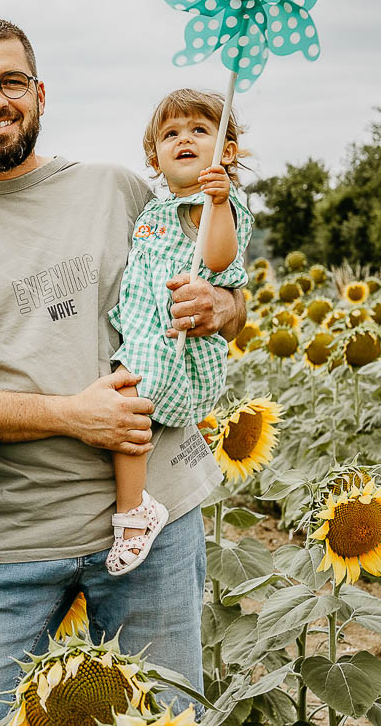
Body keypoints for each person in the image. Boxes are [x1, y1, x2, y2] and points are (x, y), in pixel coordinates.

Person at [0, 17, 247, 723]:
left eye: (12, 81)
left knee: (162, 716)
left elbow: (229, 295)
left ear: (40, 93)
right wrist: (71, 414)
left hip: (154, 520)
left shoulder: (118, 189)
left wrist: (217, 303)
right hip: (10, 539)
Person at [106, 89, 253, 575]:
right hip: (146, 333)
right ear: (155, 158)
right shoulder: (156, 209)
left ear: (225, 153)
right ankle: (134, 504)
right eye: (171, 134)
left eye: (199, 131)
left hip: (174, 344)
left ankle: (134, 510)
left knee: (126, 410)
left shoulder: (213, 210)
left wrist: (219, 201)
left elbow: (219, 259)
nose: (183, 139)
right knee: (124, 408)